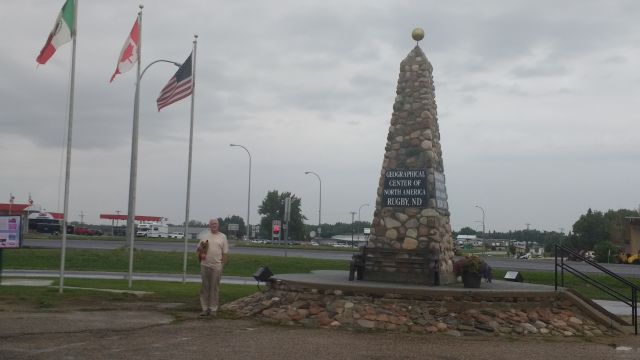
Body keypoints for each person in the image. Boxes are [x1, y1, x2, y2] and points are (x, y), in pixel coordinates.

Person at [196, 218, 229, 317]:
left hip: (216, 266)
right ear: (209, 225)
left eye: (215, 224)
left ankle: (213, 309)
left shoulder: (223, 237)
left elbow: (225, 253)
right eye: (212, 224)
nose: (214, 225)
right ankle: (205, 308)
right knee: (205, 287)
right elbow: (198, 249)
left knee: (214, 288)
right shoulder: (204, 236)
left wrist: (221, 265)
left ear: (218, 225)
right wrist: (201, 254)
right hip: (205, 265)